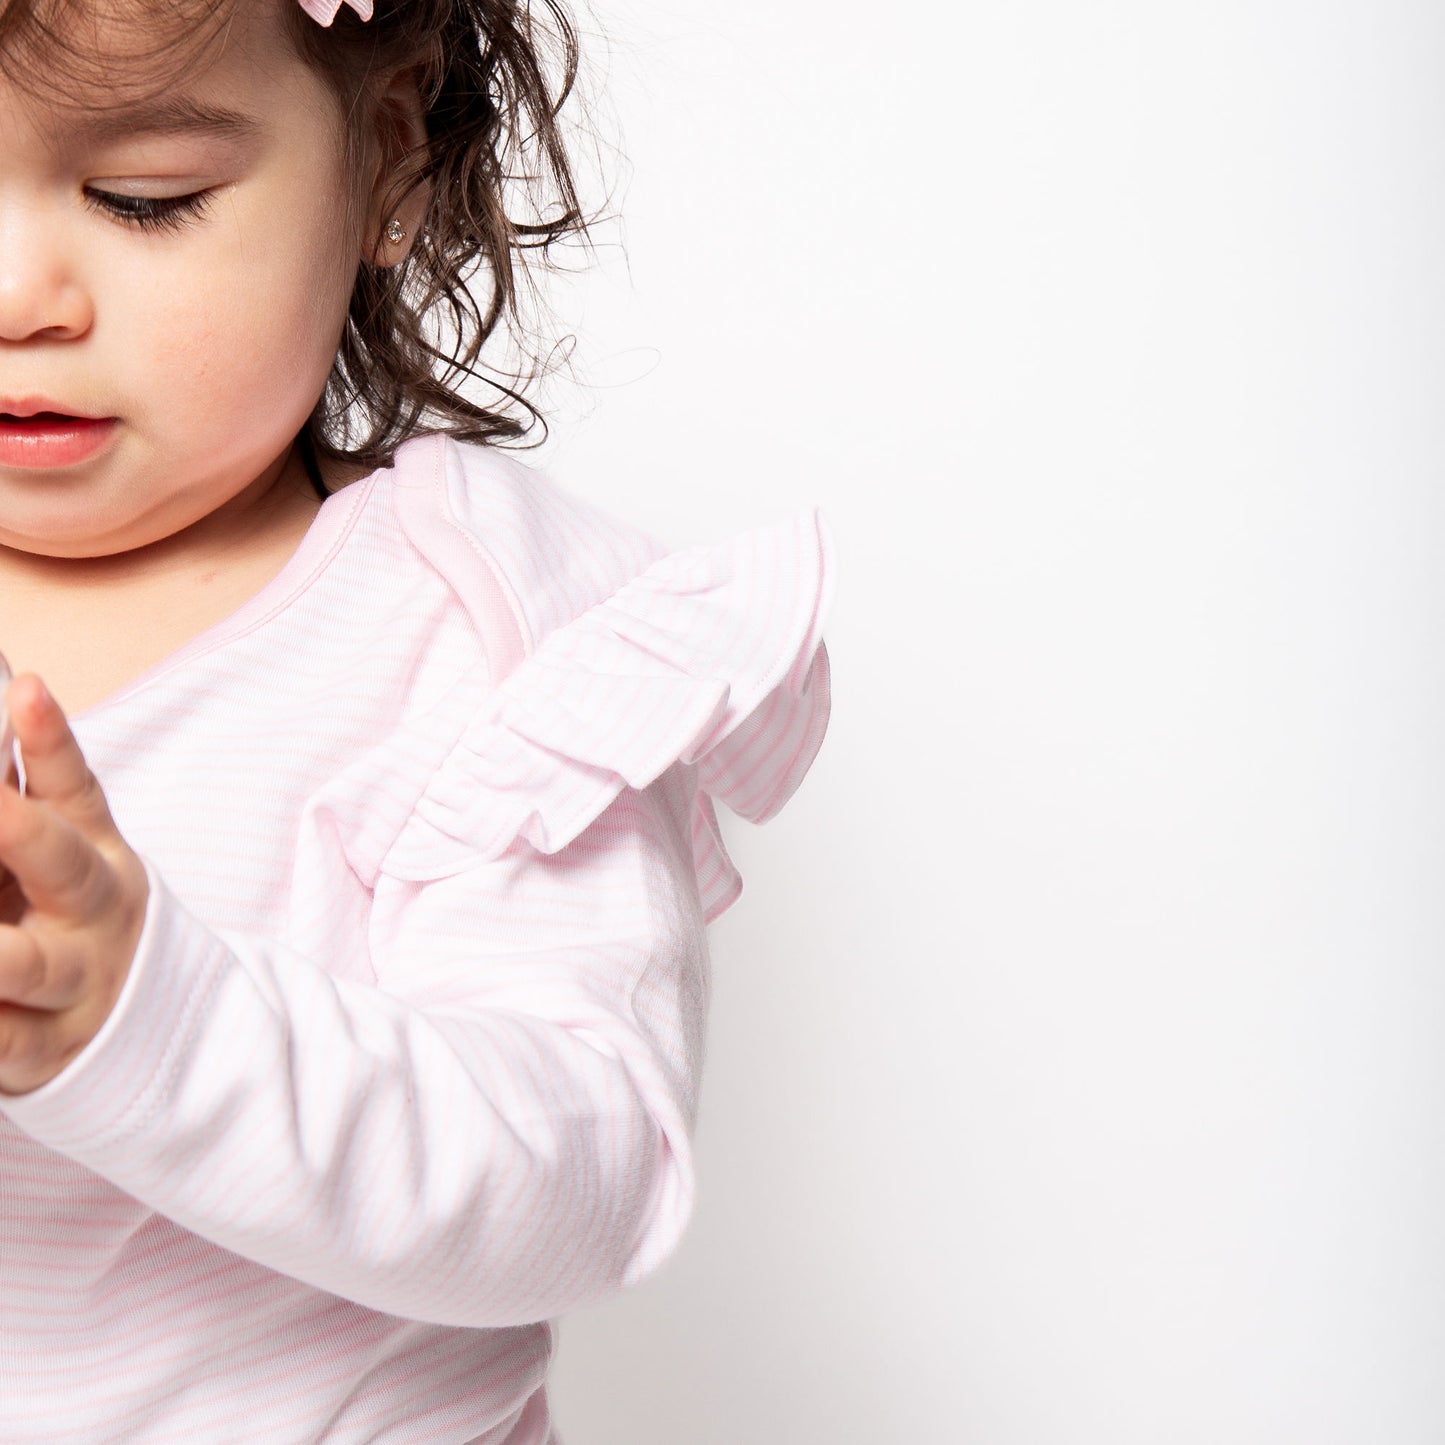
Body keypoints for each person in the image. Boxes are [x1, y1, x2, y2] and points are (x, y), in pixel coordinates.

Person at [0, 0, 833, 1438]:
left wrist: (148, 1022)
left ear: (386, 154)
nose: (20, 296)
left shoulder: (473, 626)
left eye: (144, 199)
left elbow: (586, 1178)